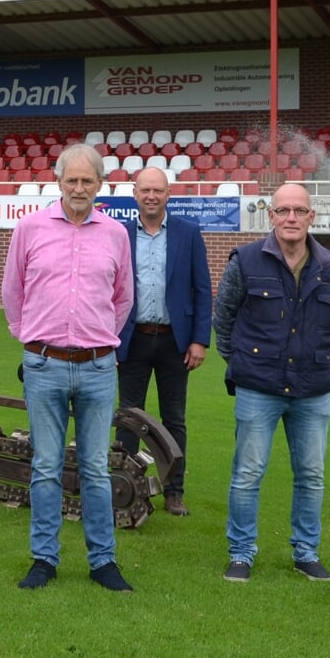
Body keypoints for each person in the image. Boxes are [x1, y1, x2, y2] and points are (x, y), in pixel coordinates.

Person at [1, 142, 135, 593]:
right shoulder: (30, 228)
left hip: (98, 368)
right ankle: (44, 559)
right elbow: (13, 292)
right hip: (44, 365)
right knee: (46, 466)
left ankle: (103, 561)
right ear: (58, 182)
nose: (79, 188)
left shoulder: (116, 234)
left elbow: (122, 299)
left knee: (96, 469)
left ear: (101, 184)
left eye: (87, 180)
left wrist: (94, 338)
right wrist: (32, 337)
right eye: (71, 180)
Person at [212, 181, 330, 584]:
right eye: (283, 210)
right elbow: (224, 320)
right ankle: (240, 554)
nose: (292, 218)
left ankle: (306, 553)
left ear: (312, 216)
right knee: (247, 475)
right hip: (258, 388)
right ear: (270, 216)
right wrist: (244, 363)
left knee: (311, 475)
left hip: (313, 389)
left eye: (299, 211)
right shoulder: (245, 260)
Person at [116, 166, 213, 517]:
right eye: (145, 190)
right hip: (132, 340)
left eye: (158, 190)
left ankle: (174, 491)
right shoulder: (120, 234)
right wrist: (111, 340)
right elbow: (109, 291)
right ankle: (124, 485)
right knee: (129, 417)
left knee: (174, 419)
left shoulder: (188, 234)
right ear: (135, 194)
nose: (151, 196)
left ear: (168, 194)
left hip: (175, 342)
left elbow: (202, 290)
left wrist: (200, 340)